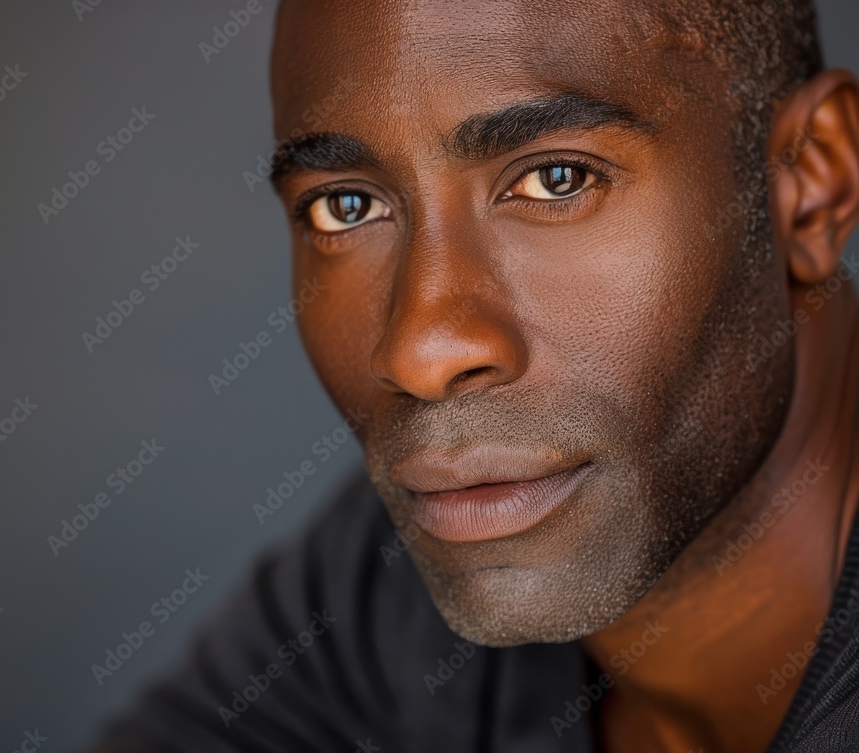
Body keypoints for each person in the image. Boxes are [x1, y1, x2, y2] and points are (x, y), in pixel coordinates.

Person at [86, 0, 859, 750]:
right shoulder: (407, 571)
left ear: (812, 183)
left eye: (557, 178)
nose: (422, 352)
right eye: (346, 206)